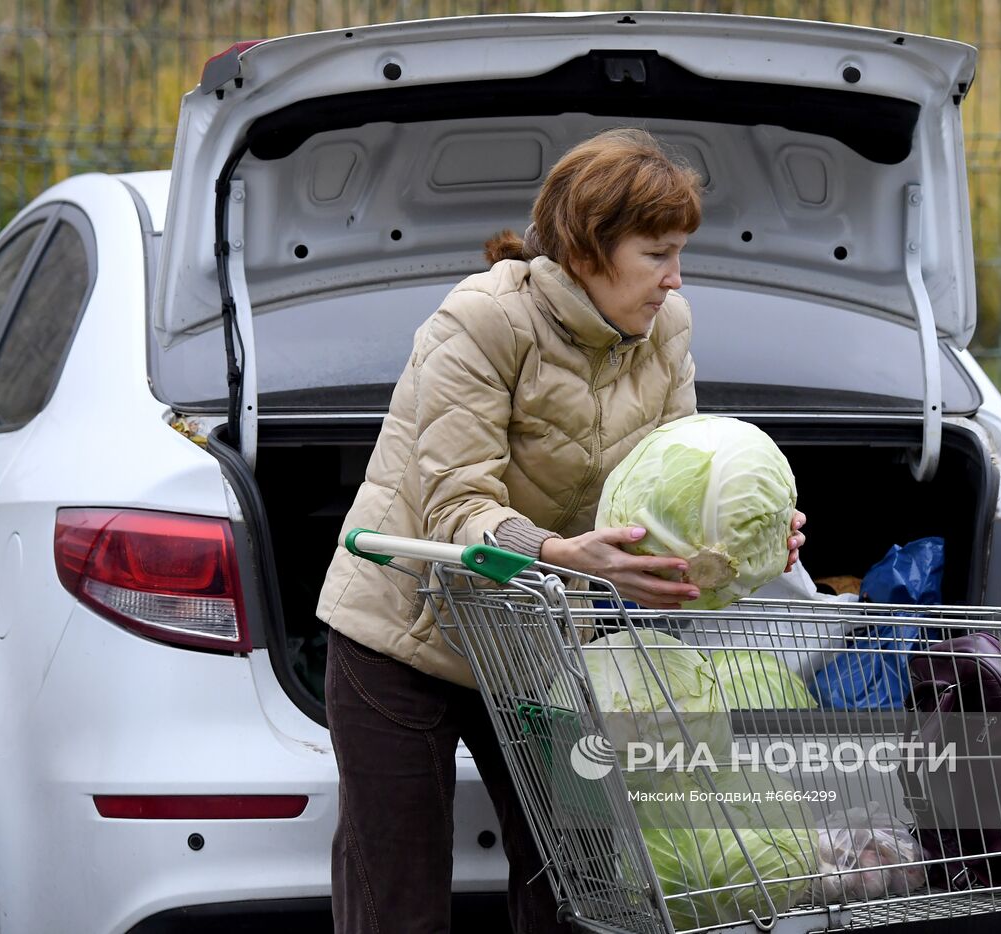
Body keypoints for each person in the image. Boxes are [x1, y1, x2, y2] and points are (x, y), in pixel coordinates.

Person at [316, 128, 807, 934]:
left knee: (575, 885)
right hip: (404, 633)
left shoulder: (669, 327)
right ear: (587, 249)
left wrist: (737, 540)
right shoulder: (480, 320)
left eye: (680, 253)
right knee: (395, 894)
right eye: (657, 254)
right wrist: (557, 553)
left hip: (538, 640)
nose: (674, 278)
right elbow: (456, 510)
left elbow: (671, 480)